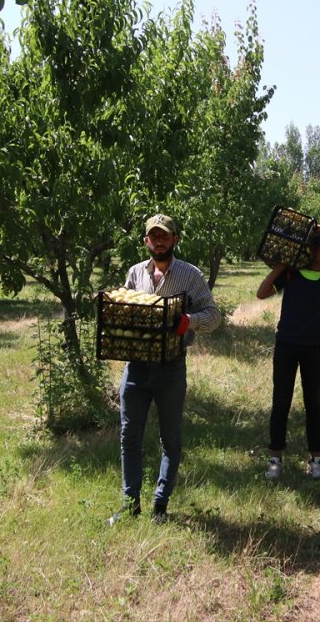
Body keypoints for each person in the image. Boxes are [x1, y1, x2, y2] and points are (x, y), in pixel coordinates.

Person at [109, 214, 222, 526]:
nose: (158, 241)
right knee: (129, 436)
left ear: (174, 239)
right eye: (153, 236)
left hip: (171, 367)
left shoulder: (190, 275)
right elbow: (125, 311)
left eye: (164, 235)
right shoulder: (135, 273)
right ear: (146, 241)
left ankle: (160, 504)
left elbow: (213, 315)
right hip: (136, 367)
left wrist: (190, 320)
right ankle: (130, 503)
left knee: (170, 438)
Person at [256, 224, 320, 481]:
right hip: (286, 347)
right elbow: (261, 293)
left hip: (313, 349)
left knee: (314, 404)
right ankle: (275, 457)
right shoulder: (292, 274)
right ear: (312, 250)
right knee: (280, 402)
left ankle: (315, 459)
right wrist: (282, 265)